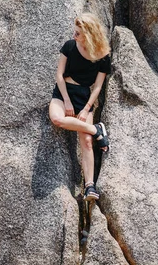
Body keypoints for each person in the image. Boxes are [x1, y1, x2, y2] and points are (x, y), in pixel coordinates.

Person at [49, 13, 111, 201]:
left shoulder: (102, 56)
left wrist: (86, 109)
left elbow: (98, 86)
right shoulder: (69, 46)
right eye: (74, 32)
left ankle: (89, 187)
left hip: (84, 98)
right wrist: (66, 100)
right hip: (63, 92)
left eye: (78, 33)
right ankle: (96, 129)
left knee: (85, 141)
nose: (74, 35)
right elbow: (59, 75)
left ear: (89, 34)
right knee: (58, 119)